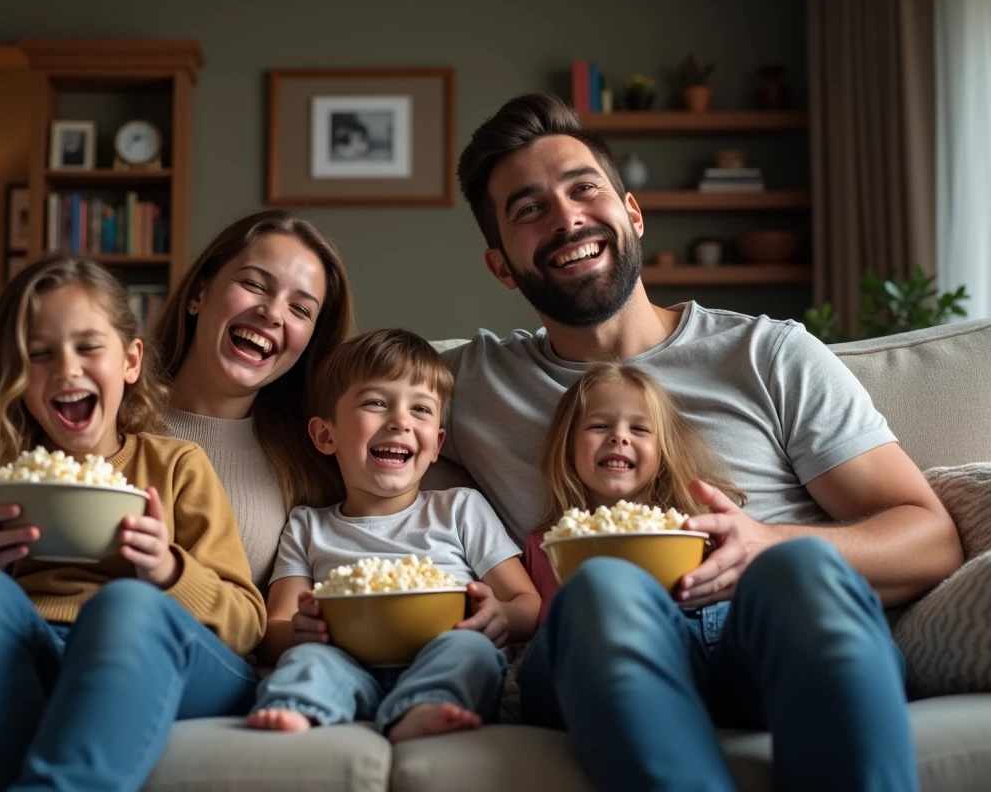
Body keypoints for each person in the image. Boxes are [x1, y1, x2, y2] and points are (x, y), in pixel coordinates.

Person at [444, 92, 962, 790]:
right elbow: (333, 394)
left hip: (771, 637)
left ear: (631, 212)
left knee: (799, 570)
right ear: (502, 265)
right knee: (600, 587)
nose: (566, 218)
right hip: (603, 651)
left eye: (583, 189)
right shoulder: (470, 384)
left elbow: (930, 536)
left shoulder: (767, 354)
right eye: (528, 209)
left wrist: (766, 543)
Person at [0, 257, 266, 792]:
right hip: (27, 651)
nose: (66, 369)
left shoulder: (175, 467)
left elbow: (246, 622)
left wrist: (167, 570)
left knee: (126, 604)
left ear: (131, 360)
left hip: (151, 657)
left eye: (88, 347)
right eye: (40, 354)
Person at [245, 329, 540, 741]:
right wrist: (299, 629)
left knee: (472, 653)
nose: (400, 421)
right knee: (308, 661)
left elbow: (527, 604)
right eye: (376, 403)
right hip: (344, 662)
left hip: (443, 651)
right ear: (325, 436)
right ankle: (298, 706)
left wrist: (500, 616)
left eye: (420, 409)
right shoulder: (308, 526)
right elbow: (274, 626)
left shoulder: (459, 508)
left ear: (436, 445)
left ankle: (426, 707)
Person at [149, 210, 355, 590]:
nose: (272, 312)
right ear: (198, 293)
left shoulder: (315, 466)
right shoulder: (103, 419)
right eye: (255, 284)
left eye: (300, 309)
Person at [524, 361, 745, 616]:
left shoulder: (697, 535)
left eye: (639, 429)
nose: (620, 437)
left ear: (663, 453)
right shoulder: (545, 548)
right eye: (599, 426)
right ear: (568, 445)